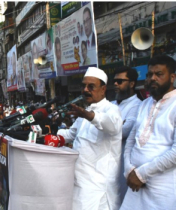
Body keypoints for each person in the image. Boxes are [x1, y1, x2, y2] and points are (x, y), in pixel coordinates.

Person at [57, 67, 123, 209]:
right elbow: (70, 135)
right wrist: (44, 135)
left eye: (91, 86)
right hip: (78, 183)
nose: (85, 90)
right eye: (84, 86)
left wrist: (90, 116)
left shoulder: (111, 110)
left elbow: (112, 126)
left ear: (103, 89)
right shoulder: (86, 112)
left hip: (98, 188)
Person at [120, 55, 176, 209]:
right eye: (149, 74)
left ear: (172, 77)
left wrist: (142, 174)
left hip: (162, 190)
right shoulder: (144, 104)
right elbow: (131, 141)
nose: (152, 78)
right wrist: (128, 169)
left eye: (159, 74)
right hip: (135, 185)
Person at [111, 66, 141, 201]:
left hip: (122, 164)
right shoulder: (110, 104)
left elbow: (124, 130)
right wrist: (116, 125)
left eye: (120, 81)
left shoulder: (138, 105)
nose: (115, 84)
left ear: (132, 83)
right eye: (114, 81)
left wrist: (106, 125)